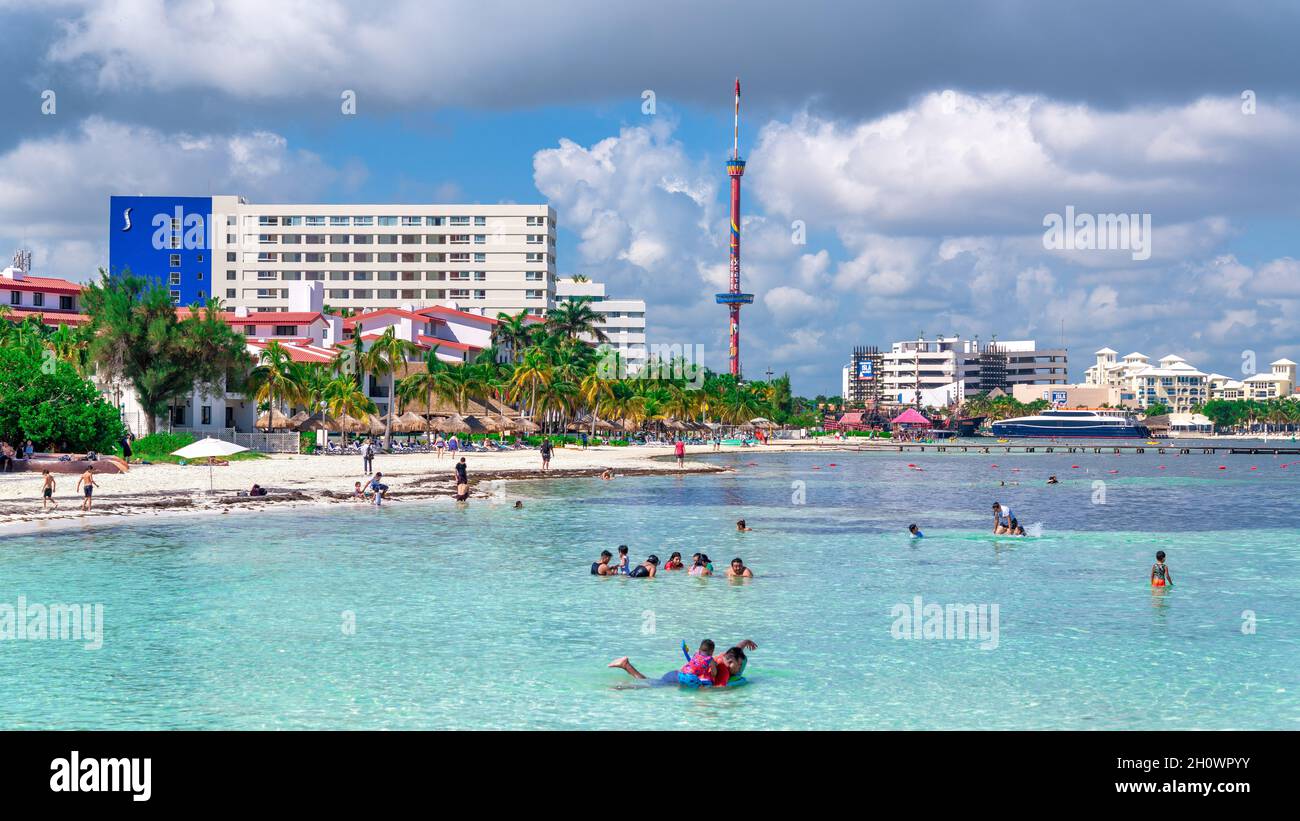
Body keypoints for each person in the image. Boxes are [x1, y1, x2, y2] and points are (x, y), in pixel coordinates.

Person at [607, 639, 758, 688]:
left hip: (679, 673)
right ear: (730, 660)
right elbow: (715, 689)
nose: (738, 669)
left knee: (652, 682)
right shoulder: (724, 670)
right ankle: (625, 672)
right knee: (650, 686)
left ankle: (626, 668)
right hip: (680, 679)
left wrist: (746, 642)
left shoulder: (723, 656)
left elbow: (737, 648)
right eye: (738, 666)